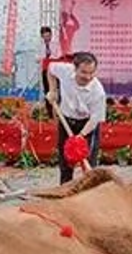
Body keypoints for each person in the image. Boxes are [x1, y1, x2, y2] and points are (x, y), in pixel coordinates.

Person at [47, 51, 106, 184]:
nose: (88, 77)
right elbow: (50, 69)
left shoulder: (98, 92)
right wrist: (53, 90)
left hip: (87, 125)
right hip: (66, 120)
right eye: (84, 72)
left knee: (89, 161)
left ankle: (90, 189)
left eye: (91, 73)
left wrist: (80, 136)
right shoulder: (65, 71)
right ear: (75, 68)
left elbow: (94, 119)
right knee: (65, 161)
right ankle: (65, 188)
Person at [39, 25, 63, 100]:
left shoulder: (56, 44)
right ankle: (48, 105)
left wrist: (50, 58)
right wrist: (41, 58)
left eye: (48, 36)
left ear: (51, 35)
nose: (47, 38)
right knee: (46, 88)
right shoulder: (41, 46)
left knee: (56, 88)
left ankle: (58, 104)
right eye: (45, 36)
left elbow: (59, 55)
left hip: (55, 69)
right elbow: (38, 57)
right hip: (45, 69)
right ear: (42, 36)